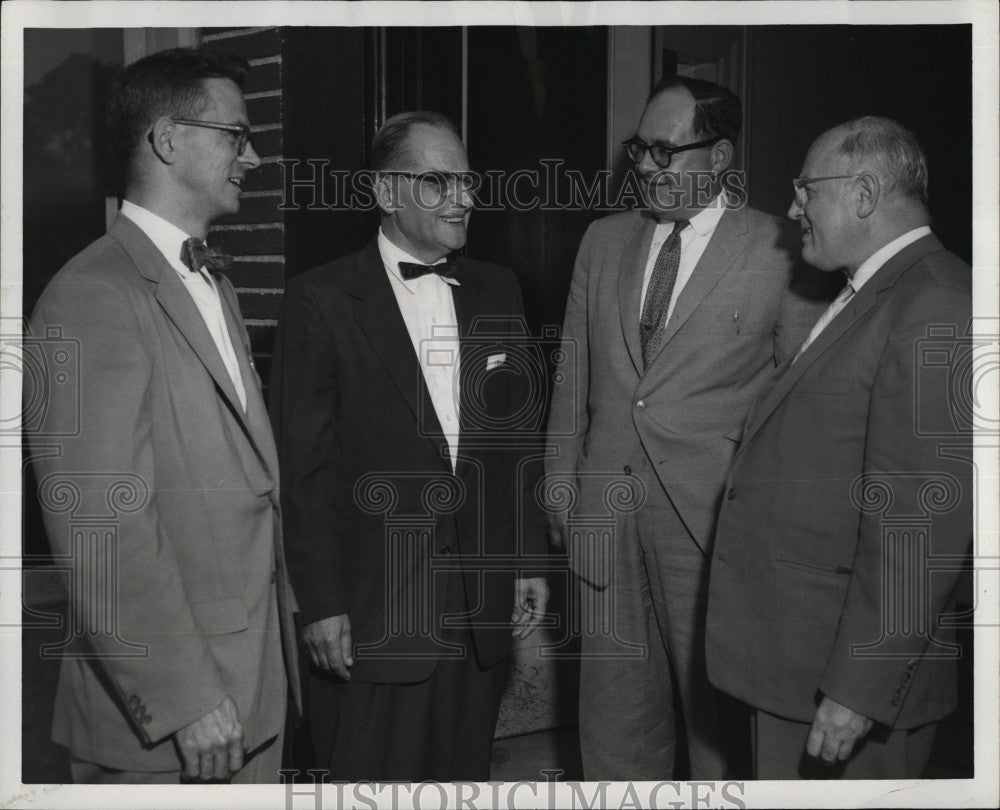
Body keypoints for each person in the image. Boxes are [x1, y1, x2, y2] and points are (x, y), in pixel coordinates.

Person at [25, 47, 299, 783]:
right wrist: (187, 699)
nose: (256, 155)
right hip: (179, 720)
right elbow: (100, 521)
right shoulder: (90, 295)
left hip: (250, 694)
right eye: (236, 135)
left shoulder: (213, 282)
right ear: (168, 139)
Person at [544, 76, 829, 780]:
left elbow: (799, 414)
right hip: (603, 524)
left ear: (721, 155)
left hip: (714, 536)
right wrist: (558, 490)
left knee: (721, 741)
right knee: (612, 735)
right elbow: (572, 378)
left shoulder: (782, 248)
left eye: (664, 152)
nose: (644, 165)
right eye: (639, 148)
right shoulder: (602, 241)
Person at [269, 110, 549, 781]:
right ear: (386, 193)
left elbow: (515, 443)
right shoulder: (320, 299)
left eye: (468, 181)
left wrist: (526, 558)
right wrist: (323, 602)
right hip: (371, 612)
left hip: (476, 608)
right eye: (438, 182)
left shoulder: (497, 288)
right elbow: (302, 471)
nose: (464, 198)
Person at [706, 116, 973, 779]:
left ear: (861, 194)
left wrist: (857, 689)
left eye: (805, 190)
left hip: (846, 686)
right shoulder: (872, 291)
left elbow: (919, 521)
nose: (792, 209)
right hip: (799, 664)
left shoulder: (936, 300)